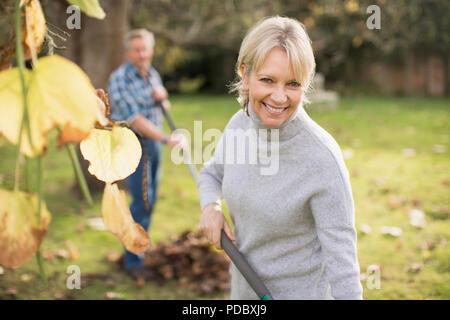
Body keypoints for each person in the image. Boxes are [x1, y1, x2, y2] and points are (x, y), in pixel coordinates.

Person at [197, 16, 363, 299]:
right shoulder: (239, 125)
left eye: (293, 84)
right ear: (244, 74)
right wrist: (211, 206)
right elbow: (212, 174)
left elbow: (343, 266)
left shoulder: (322, 159)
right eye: (267, 80)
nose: (279, 97)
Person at [108, 29, 186, 281]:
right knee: (141, 203)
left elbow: (159, 107)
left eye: (145, 49)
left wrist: (163, 98)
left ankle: (139, 248)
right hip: (134, 145)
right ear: (127, 52)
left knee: (149, 201)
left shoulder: (152, 74)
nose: (142, 54)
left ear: (151, 50)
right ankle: (133, 261)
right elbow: (136, 120)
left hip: (152, 145)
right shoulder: (120, 79)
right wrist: (166, 138)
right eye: (137, 50)